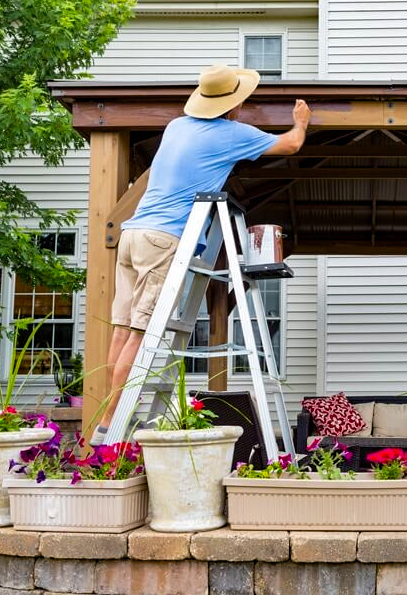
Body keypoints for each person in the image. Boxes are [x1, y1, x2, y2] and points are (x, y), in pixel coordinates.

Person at [91, 64, 311, 445]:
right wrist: (301, 121)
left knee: (122, 330)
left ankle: (105, 416)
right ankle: (113, 421)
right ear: (235, 104)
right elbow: (290, 145)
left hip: (133, 234)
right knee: (141, 336)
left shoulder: (176, 127)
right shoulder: (230, 133)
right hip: (164, 238)